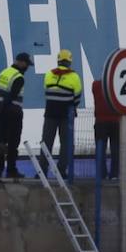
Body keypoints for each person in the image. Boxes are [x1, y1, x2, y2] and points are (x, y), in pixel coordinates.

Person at [41, 49, 83, 178]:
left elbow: (46, 91)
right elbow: (77, 97)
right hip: (66, 115)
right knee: (66, 143)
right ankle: (61, 170)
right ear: (69, 62)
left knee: (46, 142)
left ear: (58, 60)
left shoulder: (48, 74)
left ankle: (42, 171)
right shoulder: (74, 76)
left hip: (50, 113)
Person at [0, 52, 31, 178]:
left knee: (0, 141)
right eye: (27, 64)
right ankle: (11, 170)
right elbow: (12, 95)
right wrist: (3, 106)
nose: (27, 67)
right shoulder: (19, 77)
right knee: (13, 142)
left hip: (1, 113)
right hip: (13, 112)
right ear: (21, 62)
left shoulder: (4, 72)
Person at [92, 75, 121, 180]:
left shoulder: (95, 85)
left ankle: (102, 174)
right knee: (115, 150)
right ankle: (114, 174)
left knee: (100, 150)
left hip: (100, 122)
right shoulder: (116, 87)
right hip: (115, 121)